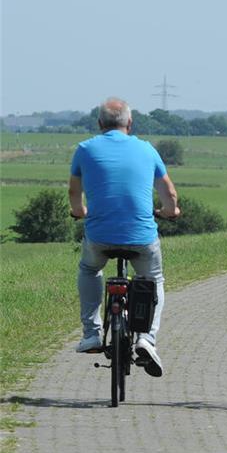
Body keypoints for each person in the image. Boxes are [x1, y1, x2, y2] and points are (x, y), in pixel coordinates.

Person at [69, 97, 180, 376]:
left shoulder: (85, 149)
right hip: (141, 237)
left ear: (99, 124)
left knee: (90, 269)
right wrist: (170, 211)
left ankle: (92, 334)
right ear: (130, 123)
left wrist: (79, 211)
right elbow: (169, 193)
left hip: (99, 236)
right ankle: (147, 339)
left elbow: (74, 193)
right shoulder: (146, 149)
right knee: (154, 280)